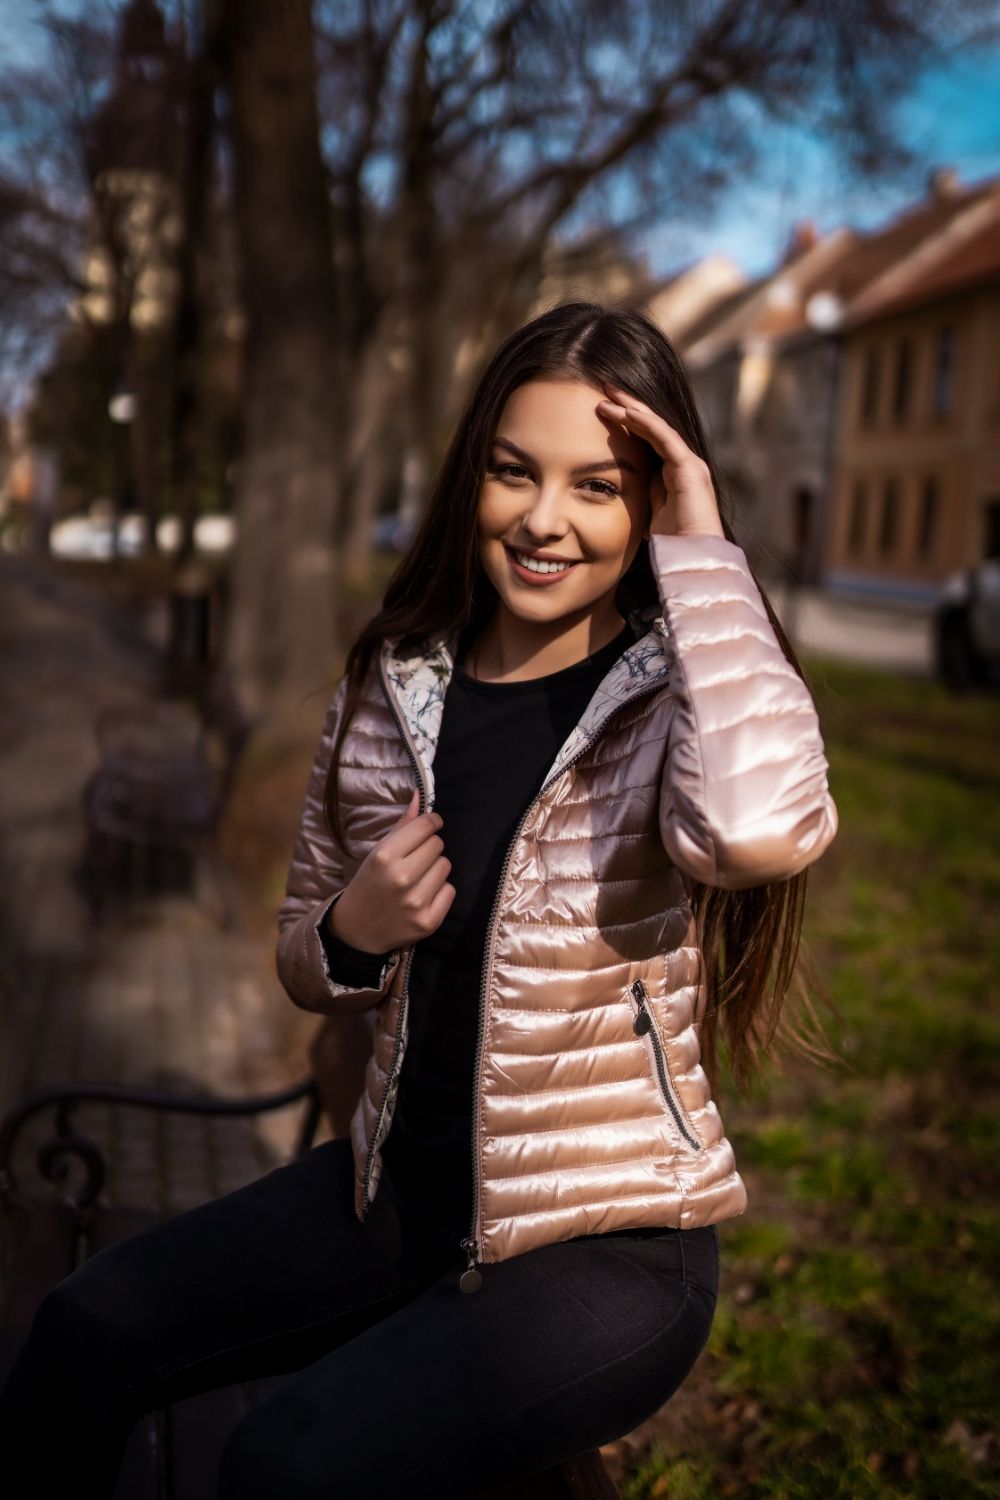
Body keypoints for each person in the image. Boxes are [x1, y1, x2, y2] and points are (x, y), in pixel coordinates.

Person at [0, 301, 839, 1497]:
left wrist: (705, 553)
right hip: (395, 1195)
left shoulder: (675, 707)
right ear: (472, 479)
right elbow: (301, 952)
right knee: (80, 1333)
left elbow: (760, 831)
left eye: (598, 487)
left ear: (650, 506)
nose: (544, 519)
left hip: (605, 1256)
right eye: (514, 472)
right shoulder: (396, 682)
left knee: (283, 1465)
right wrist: (353, 931)